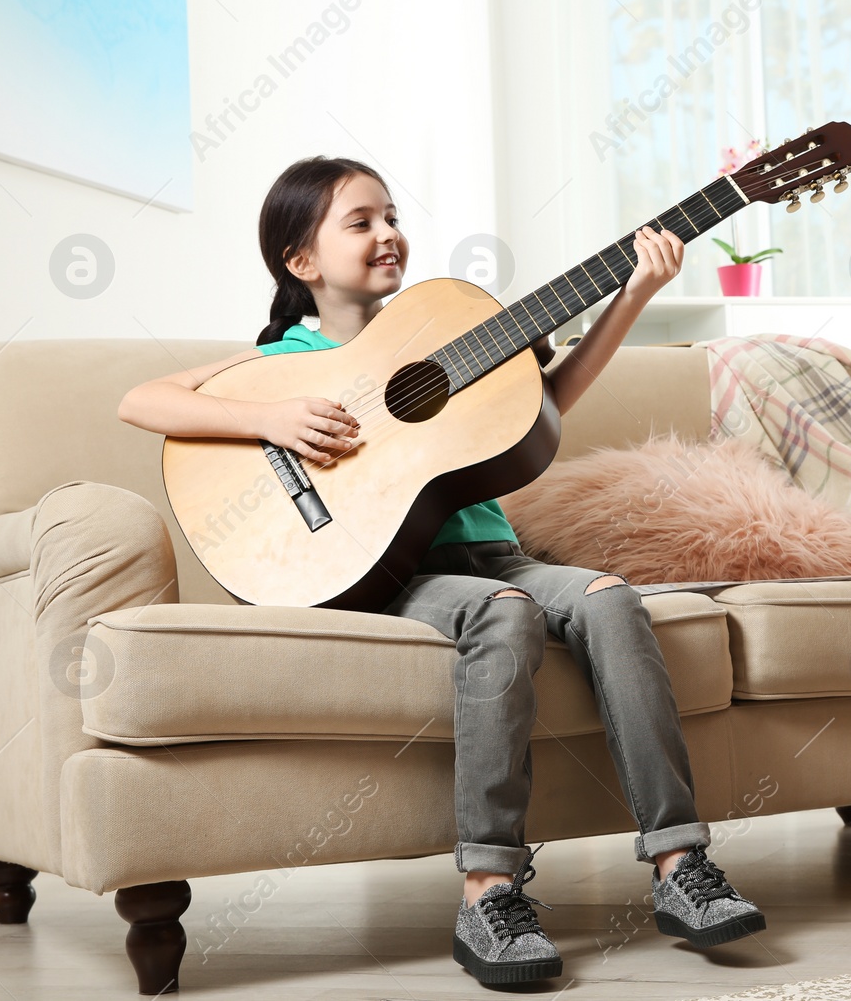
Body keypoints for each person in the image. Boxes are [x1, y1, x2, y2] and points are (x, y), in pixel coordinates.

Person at [117, 156, 765, 985]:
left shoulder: (442, 339)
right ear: (300, 260)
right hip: (396, 572)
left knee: (609, 598)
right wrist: (267, 417)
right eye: (360, 221)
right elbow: (143, 400)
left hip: (498, 554)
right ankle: (488, 892)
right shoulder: (286, 358)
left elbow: (550, 397)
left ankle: (681, 867)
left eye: (391, 214)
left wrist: (631, 293)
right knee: (503, 610)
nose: (388, 232)